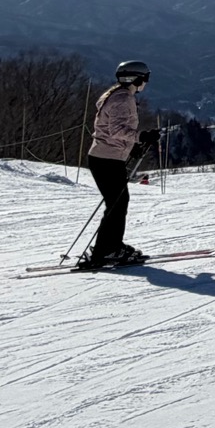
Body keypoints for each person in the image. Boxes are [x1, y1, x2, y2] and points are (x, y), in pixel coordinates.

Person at [79, 60, 159, 270]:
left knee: (117, 204)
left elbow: (109, 131)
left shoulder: (116, 95)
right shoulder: (123, 99)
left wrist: (131, 146)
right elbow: (116, 130)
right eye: (146, 78)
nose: (146, 82)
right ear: (137, 78)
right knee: (117, 205)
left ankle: (110, 247)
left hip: (105, 157)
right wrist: (141, 136)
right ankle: (106, 251)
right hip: (107, 159)